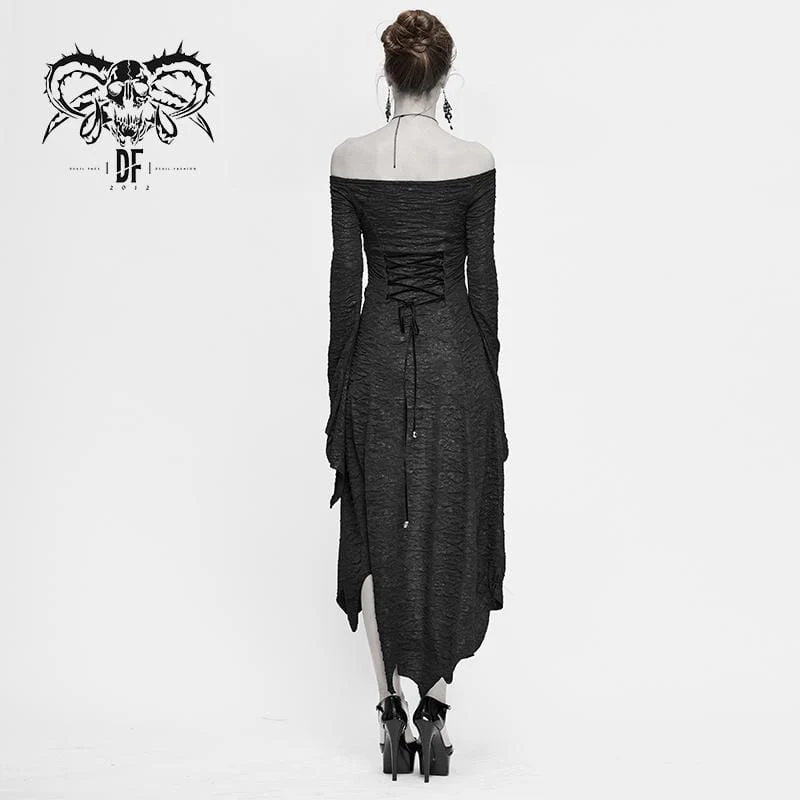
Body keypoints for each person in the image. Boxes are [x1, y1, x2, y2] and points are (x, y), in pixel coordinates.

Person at [326, 9, 509, 782]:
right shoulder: (475, 160)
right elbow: (483, 282)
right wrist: (488, 380)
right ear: (444, 74)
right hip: (455, 361)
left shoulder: (349, 158)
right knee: (453, 515)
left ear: (388, 71)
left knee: (376, 522)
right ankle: (435, 706)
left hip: (374, 358)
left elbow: (346, 287)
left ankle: (389, 715)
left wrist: (339, 389)